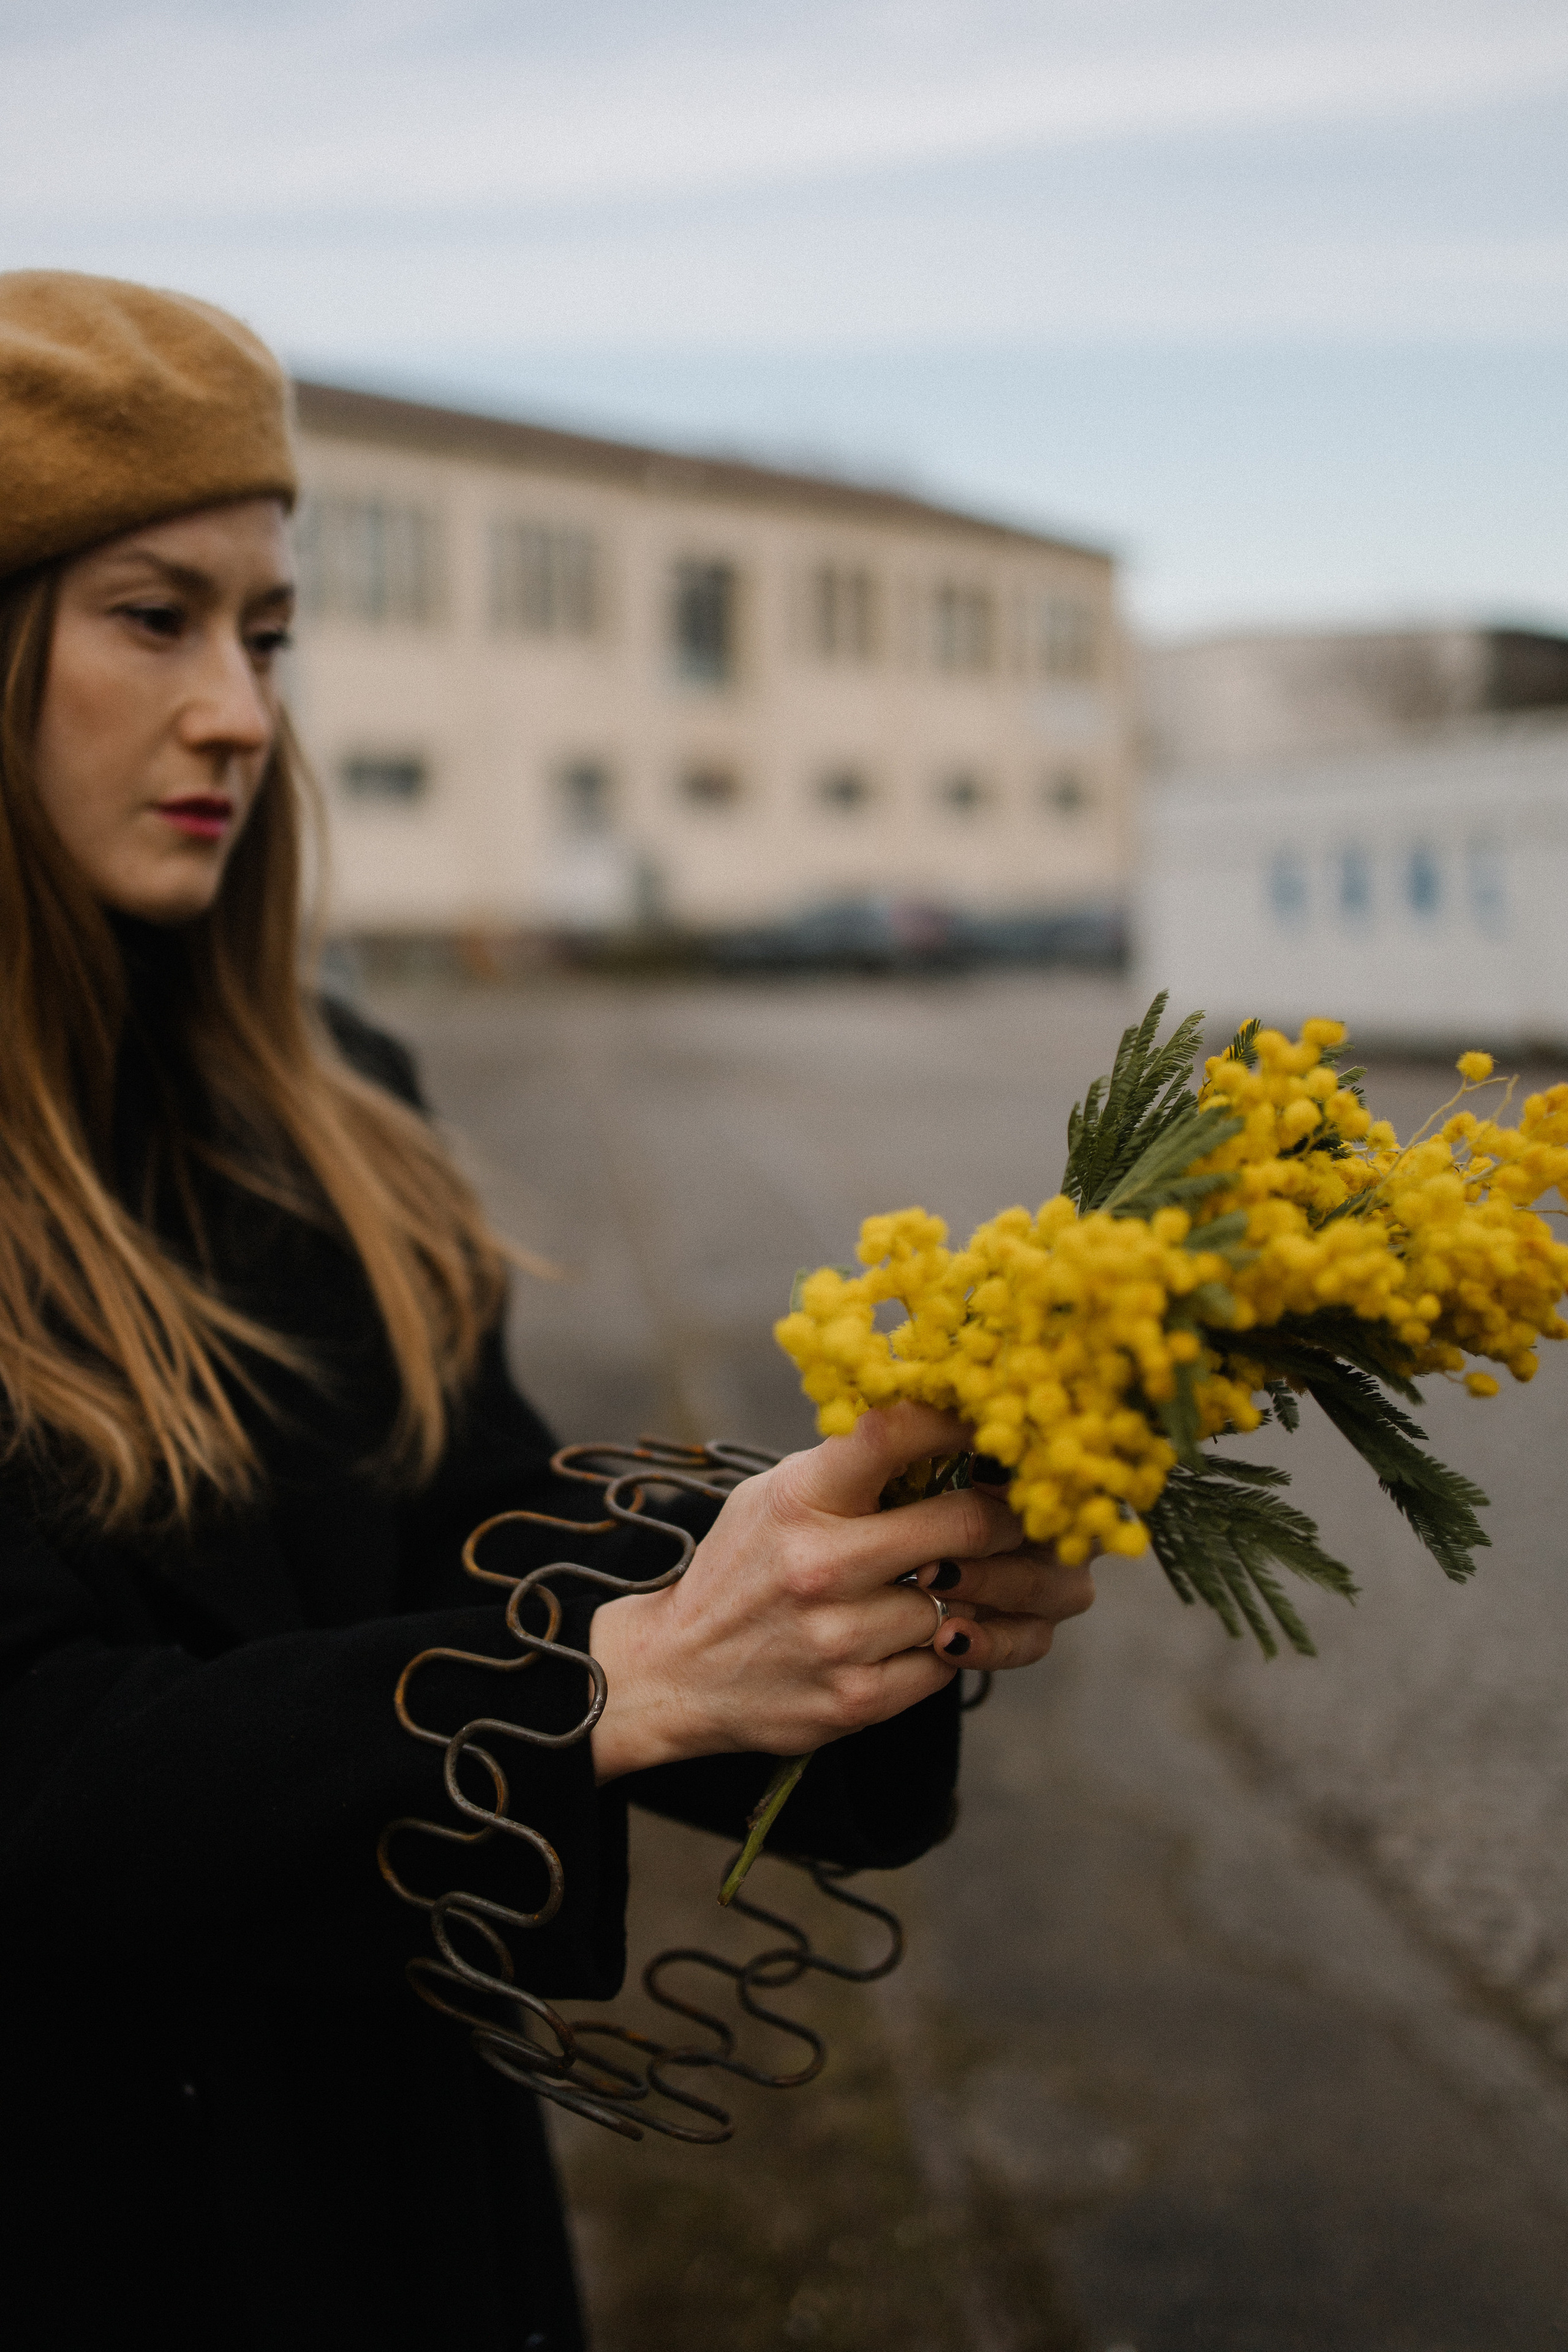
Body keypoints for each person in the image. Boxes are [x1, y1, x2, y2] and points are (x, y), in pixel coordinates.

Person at [0, 270, 1095, 2350]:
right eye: (155, 618)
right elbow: (37, 1760)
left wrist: (836, 1564)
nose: (239, 712)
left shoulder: (332, 1105)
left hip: (403, 2194)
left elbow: (479, 1524)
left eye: (268, 635)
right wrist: (621, 1682)